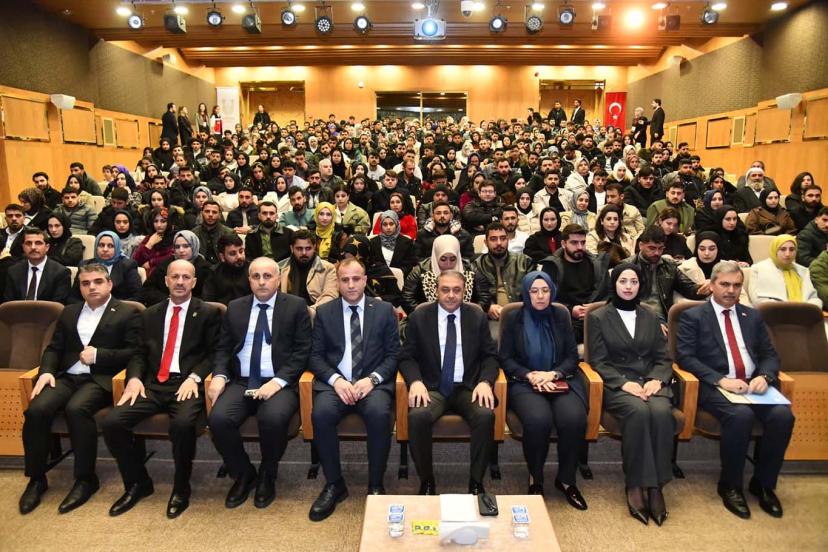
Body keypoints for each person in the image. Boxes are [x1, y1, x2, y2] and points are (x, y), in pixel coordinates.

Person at [102, 260, 222, 518]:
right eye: (175, 277)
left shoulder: (208, 313)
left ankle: (181, 487)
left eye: (186, 277)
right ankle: (138, 483)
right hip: (153, 384)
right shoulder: (149, 314)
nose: (180, 282)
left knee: (182, 425)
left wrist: (195, 377)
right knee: (112, 422)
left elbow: (215, 354)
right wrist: (134, 379)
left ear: (194, 282)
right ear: (166, 281)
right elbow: (139, 353)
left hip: (187, 384)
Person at [18, 264, 141, 515]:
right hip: (67, 377)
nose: (92, 287)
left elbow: (135, 352)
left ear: (109, 284)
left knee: (77, 409)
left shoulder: (128, 313)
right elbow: (54, 348)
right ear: (80, 287)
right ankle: (37, 478)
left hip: (100, 379)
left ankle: (85, 479)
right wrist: (46, 371)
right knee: (36, 410)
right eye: (85, 283)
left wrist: (100, 355)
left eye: (98, 281)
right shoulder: (69, 312)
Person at [677, 261, 794, 520]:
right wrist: (721, 380)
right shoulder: (693, 316)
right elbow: (686, 358)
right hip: (715, 387)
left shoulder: (752, 316)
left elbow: (770, 355)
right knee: (741, 416)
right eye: (725, 284)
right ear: (712, 284)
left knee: (783, 416)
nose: (731, 290)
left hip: (753, 384)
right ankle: (730, 485)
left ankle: (763, 484)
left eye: (737, 285)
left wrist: (765, 375)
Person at [208, 257, 311, 510]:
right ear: (249, 280)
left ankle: (267, 473)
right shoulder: (235, 307)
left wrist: (278, 381)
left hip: (279, 382)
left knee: (272, 418)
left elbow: (303, 351)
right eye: (256, 276)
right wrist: (219, 375)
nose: (262, 282)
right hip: (242, 381)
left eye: (267, 276)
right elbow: (222, 349)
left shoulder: (296, 306)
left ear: (279, 279)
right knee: (218, 419)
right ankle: (244, 473)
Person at [307, 259, 400, 520]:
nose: (350, 285)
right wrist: (336, 380)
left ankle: (375, 484)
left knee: (380, 414)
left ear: (365, 280)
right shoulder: (324, 313)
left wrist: (373, 379)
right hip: (336, 384)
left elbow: (394, 354)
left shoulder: (383, 310)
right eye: (345, 279)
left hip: (372, 384)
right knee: (321, 414)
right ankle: (334, 484)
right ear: (337, 282)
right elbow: (315, 356)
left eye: (356, 279)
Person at [588, 262, 675, 526]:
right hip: (617, 385)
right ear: (614, 284)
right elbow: (599, 361)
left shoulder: (651, 316)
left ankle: (656, 486)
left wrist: (657, 380)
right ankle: (635, 484)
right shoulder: (598, 317)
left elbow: (663, 357)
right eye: (623, 281)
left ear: (641, 285)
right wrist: (624, 383)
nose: (628, 287)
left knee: (661, 413)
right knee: (637, 412)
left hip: (650, 382)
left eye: (634, 282)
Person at [399, 270, 499, 495]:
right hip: (433, 388)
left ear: (465, 292)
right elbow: (406, 357)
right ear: (436, 291)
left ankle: (476, 482)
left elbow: (490, 356)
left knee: (485, 415)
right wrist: (415, 381)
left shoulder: (476, 316)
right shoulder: (420, 317)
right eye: (445, 290)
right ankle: (427, 480)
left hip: (468, 387)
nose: (451, 295)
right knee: (418, 416)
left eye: (456, 290)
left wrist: (485, 381)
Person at [500, 271, 588, 507]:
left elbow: (572, 357)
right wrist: (530, 375)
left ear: (552, 292)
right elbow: (506, 358)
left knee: (574, 418)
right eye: (534, 291)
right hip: (525, 382)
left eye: (545, 290)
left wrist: (553, 374)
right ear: (526, 293)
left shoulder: (561, 316)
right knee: (538, 419)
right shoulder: (513, 319)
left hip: (559, 379)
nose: (540, 296)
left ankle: (566, 480)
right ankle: (535, 478)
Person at [538, 224, 610, 342]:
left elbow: (609, 294)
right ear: (563, 244)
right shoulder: (551, 266)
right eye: (574, 243)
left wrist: (595, 307)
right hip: (564, 318)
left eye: (583, 242)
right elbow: (546, 298)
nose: (580, 247)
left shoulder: (597, 265)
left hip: (595, 316)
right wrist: (570, 310)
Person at [623, 226, 701, 326]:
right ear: (641, 245)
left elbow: (690, 290)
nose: (657, 253)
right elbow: (621, 302)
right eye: (652, 248)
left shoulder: (669, 267)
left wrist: (708, 287)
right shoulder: (627, 267)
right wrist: (652, 322)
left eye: (660, 248)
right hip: (635, 319)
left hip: (664, 320)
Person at [402, 234, 491, 314]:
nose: (448, 264)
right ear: (436, 256)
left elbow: (485, 297)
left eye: (453, 259)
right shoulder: (421, 270)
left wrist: (471, 314)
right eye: (443, 259)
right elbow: (406, 298)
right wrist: (424, 315)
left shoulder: (470, 270)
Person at [473, 222, 534, 321]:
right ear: (485, 242)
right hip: (490, 319)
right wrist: (487, 308)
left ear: (508, 240)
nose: (499, 243)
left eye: (503, 238)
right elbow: (474, 298)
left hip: (521, 317)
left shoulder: (524, 262)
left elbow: (532, 294)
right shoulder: (477, 266)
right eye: (493, 239)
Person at [747, 235, 821, 308]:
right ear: (775, 250)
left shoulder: (803, 271)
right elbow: (756, 300)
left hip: (804, 312)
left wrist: (807, 309)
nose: (788, 254)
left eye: (792, 249)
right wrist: (787, 309)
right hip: (773, 312)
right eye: (783, 249)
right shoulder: (758, 269)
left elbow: (814, 298)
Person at [142, 230, 212, 306]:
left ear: (194, 246)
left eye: (186, 246)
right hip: (165, 307)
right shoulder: (165, 265)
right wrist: (168, 301)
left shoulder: (205, 268)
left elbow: (208, 296)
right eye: (177, 247)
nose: (181, 250)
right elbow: (147, 289)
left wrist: (185, 303)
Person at [70, 231, 142, 303]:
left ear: (117, 248)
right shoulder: (85, 265)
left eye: (110, 246)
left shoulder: (127, 265)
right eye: (101, 245)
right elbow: (73, 296)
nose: (105, 249)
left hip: (117, 307)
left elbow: (137, 296)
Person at [3, 228, 71, 303]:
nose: (33, 247)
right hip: (17, 310)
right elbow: (8, 302)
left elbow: (58, 305)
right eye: (28, 243)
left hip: (47, 310)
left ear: (47, 247)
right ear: (23, 247)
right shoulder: (13, 271)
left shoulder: (61, 273)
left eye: (38, 243)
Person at [278, 230, 338, 313]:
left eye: (308, 248)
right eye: (299, 248)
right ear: (292, 248)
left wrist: (311, 310)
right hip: (288, 312)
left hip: (318, 313)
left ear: (314, 247)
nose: (304, 253)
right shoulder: (280, 268)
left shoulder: (328, 268)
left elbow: (330, 295)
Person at [202, 234, 251, 305]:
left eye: (241, 251)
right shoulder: (214, 272)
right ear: (222, 257)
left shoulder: (252, 269)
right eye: (232, 254)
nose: (239, 257)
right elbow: (208, 302)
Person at [369, 210, 418, 276]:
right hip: (378, 278)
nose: (388, 227)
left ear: (396, 224)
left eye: (391, 224)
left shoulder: (407, 242)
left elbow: (410, 264)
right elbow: (371, 263)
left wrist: (397, 273)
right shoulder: (373, 242)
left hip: (401, 278)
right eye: (385, 224)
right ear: (381, 226)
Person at [132, 207, 175, 278]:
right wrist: (149, 244)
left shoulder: (174, 238)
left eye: (163, 221)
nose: (159, 225)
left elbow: (173, 257)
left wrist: (151, 262)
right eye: (156, 221)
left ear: (168, 222)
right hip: (147, 278)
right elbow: (135, 261)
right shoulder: (149, 238)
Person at [193, 200, 235, 266]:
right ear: (201, 213)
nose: (210, 215)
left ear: (219, 215)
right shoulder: (194, 233)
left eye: (214, 212)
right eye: (207, 211)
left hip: (222, 268)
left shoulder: (229, 233)